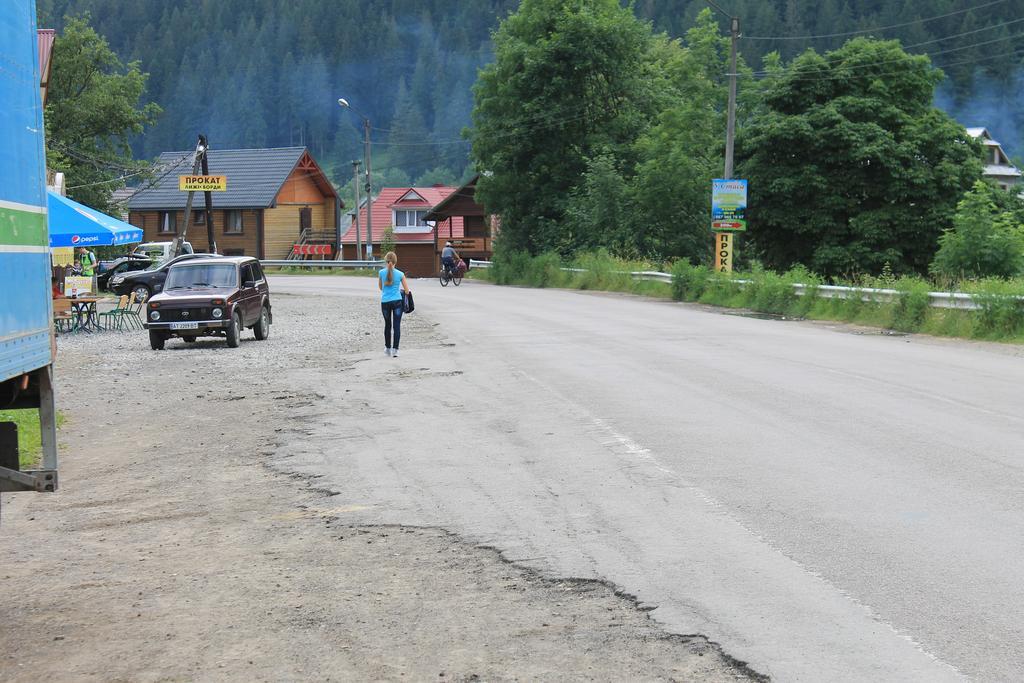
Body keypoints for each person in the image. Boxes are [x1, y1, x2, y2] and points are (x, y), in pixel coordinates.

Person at [378, 251, 410, 358]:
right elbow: (406, 291)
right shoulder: (400, 274)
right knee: (397, 326)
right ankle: (395, 350)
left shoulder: (381, 272)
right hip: (397, 302)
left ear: (386, 261)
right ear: (396, 261)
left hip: (385, 302)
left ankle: (387, 348)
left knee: (387, 325)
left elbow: (381, 287)